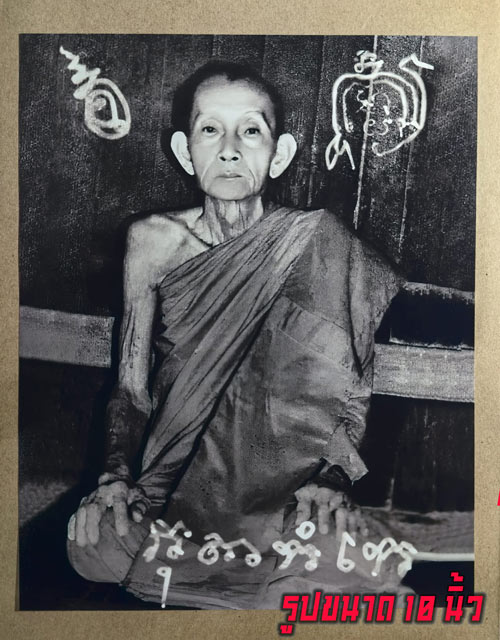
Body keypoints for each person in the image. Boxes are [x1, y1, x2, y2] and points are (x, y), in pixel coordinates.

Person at [67, 60, 406, 609]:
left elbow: (350, 390)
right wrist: (113, 478)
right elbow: (131, 388)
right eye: (210, 129)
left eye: (250, 130)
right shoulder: (152, 242)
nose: (229, 150)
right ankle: (258, 584)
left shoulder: (318, 244)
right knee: (94, 543)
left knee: (328, 539)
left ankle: (215, 578)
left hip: (283, 489)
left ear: (280, 154)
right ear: (185, 151)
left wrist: (333, 480)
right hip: (171, 483)